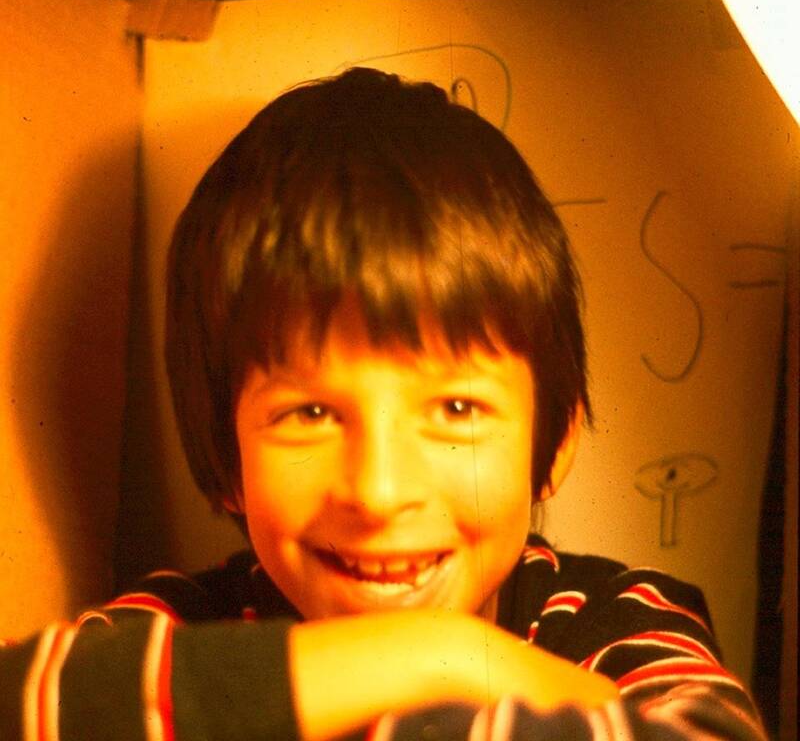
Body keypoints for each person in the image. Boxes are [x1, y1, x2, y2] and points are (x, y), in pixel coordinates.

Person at [0, 68, 764, 740]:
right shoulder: (192, 622)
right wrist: (440, 656)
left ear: (555, 440)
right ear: (224, 457)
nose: (379, 493)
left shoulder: (613, 618)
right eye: (310, 414)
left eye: (457, 410)